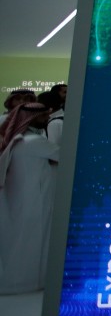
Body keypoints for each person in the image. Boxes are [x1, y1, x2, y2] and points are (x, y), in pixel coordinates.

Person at [0, 102, 60, 293]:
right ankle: (28, 282)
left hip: (18, 197)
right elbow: (63, 155)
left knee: (18, 241)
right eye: (43, 116)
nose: (47, 119)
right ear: (31, 118)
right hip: (35, 199)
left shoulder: (18, 139)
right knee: (32, 241)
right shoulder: (34, 141)